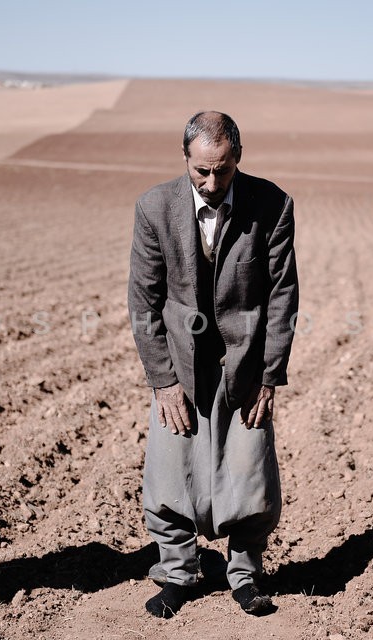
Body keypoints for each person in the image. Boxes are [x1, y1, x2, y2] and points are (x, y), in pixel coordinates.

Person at [127, 111, 299, 618]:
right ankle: (177, 575)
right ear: (185, 160)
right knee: (169, 473)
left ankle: (244, 575)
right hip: (180, 364)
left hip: (245, 365)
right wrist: (162, 382)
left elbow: (282, 297)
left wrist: (268, 376)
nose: (211, 181)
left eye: (221, 170)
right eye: (201, 170)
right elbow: (144, 301)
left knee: (250, 474)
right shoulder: (155, 208)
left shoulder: (273, 205)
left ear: (238, 159)